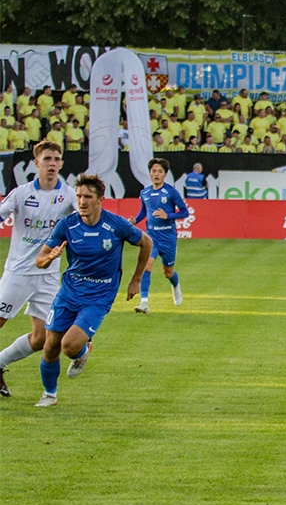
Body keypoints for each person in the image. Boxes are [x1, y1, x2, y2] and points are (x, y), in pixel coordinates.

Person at [33, 175, 152, 406]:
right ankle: (49, 395)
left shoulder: (116, 225)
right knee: (50, 346)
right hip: (69, 292)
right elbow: (39, 260)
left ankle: (82, 350)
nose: (82, 201)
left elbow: (146, 242)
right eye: (78, 196)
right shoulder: (67, 224)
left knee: (69, 346)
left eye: (88, 197)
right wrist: (49, 257)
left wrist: (136, 279)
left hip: (99, 296)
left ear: (100, 200)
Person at [0, 141, 77, 398]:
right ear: (37, 163)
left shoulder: (68, 194)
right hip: (18, 273)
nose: (52, 163)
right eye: (47, 159)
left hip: (47, 276)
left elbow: (87, 216)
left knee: (43, 338)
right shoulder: (21, 193)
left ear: (62, 163)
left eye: (56, 159)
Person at [127, 159, 189, 315]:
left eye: (160, 171)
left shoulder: (171, 192)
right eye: (154, 171)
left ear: (165, 174)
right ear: (150, 173)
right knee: (147, 265)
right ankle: (144, 302)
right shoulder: (145, 193)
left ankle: (175, 286)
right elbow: (144, 212)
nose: (156, 174)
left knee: (168, 272)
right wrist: (135, 220)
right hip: (151, 236)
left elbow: (184, 212)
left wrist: (167, 215)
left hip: (168, 238)